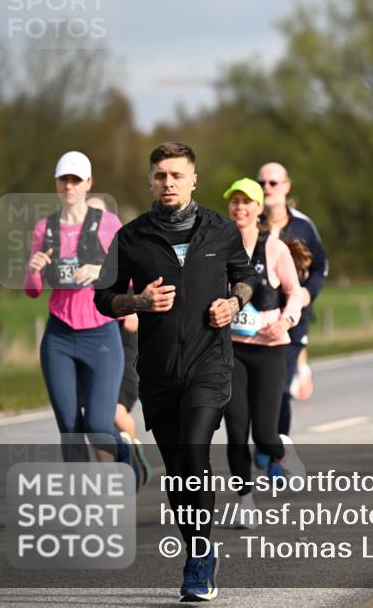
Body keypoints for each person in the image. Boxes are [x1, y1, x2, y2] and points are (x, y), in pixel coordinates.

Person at [95, 142, 257, 602]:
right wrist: (138, 301)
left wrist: (234, 302)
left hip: (210, 363)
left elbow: (247, 277)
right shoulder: (131, 238)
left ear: (193, 180)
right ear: (150, 181)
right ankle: (195, 550)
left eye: (177, 175)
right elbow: (103, 298)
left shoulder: (220, 230)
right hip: (160, 370)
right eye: (161, 175)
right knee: (177, 470)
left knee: (193, 453)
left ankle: (200, 558)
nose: (169, 183)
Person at [25, 152, 141, 473]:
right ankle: (82, 495)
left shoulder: (108, 224)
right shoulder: (44, 228)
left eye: (76, 180)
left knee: (98, 425)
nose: (69, 186)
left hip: (101, 334)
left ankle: (125, 454)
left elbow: (130, 277)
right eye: (64, 179)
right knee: (70, 429)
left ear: (89, 183)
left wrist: (101, 270)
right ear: (56, 183)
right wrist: (33, 271)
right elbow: (32, 290)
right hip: (59, 336)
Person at [222, 178, 306, 523]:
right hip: (232, 351)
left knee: (264, 434)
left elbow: (295, 293)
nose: (239, 207)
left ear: (258, 208)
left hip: (269, 350)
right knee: (235, 432)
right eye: (234, 201)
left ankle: (282, 450)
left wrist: (285, 322)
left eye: (246, 202)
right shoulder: (218, 246)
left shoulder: (274, 248)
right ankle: (245, 502)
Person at [84, 196, 153, 483]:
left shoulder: (123, 248)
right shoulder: (73, 248)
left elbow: (140, 284)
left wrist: (134, 308)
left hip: (122, 340)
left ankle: (131, 451)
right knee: (93, 418)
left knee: (114, 413)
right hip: (88, 338)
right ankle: (109, 475)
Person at [255, 162, 324, 444]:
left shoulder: (303, 226)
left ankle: (278, 447)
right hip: (258, 317)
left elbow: (320, 267)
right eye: (262, 183)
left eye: (273, 182)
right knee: (257, 387)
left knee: (279, 386)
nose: (267, 188)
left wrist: (308, 292)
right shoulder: (250, 221)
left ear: (286, 186)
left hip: (293, 318)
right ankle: (264, 440)